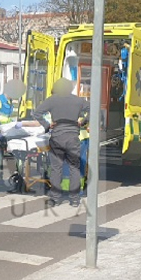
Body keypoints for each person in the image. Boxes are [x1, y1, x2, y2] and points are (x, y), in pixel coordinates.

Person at [34, 78, 89, 207]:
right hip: (73, 137)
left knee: (56, 168)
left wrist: (47, 125)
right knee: (74, 167)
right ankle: (74, 198)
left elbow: (37, 113)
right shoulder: (78, 100)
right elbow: (94, 108)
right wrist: (84, 121)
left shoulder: (53, 99)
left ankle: (55, 198)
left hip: (57, 136)